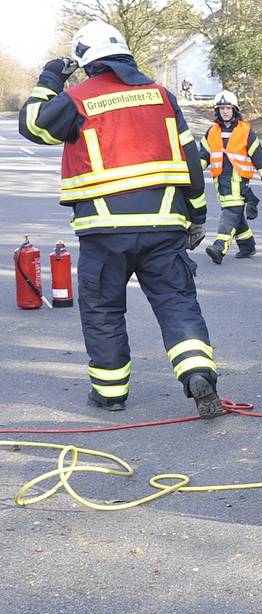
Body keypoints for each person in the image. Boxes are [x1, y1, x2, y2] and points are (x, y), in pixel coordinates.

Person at [17, 20, 223, 418]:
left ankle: (110, 394)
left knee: (104, 311)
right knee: (177, 303)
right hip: (164, 225)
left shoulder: (78, 98)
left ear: (86, 61)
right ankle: (197, 373)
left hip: (104, 230)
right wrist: (196, 215)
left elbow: (33, 125)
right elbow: (191, 160)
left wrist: (50, 78)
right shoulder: (161, 96)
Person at [199, 90, 262, 263]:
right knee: (235, 214)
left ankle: (220, 246)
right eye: (221, 108)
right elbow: (203, 156)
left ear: (235, 110)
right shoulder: (211, 132)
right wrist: (193, 172)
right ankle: (248, 246)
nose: (225, 111)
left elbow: (258, 156)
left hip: (239, 182)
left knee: (231, 212)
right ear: (217, 111)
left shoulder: (245, 131)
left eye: (228, 108)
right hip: (220, 182)